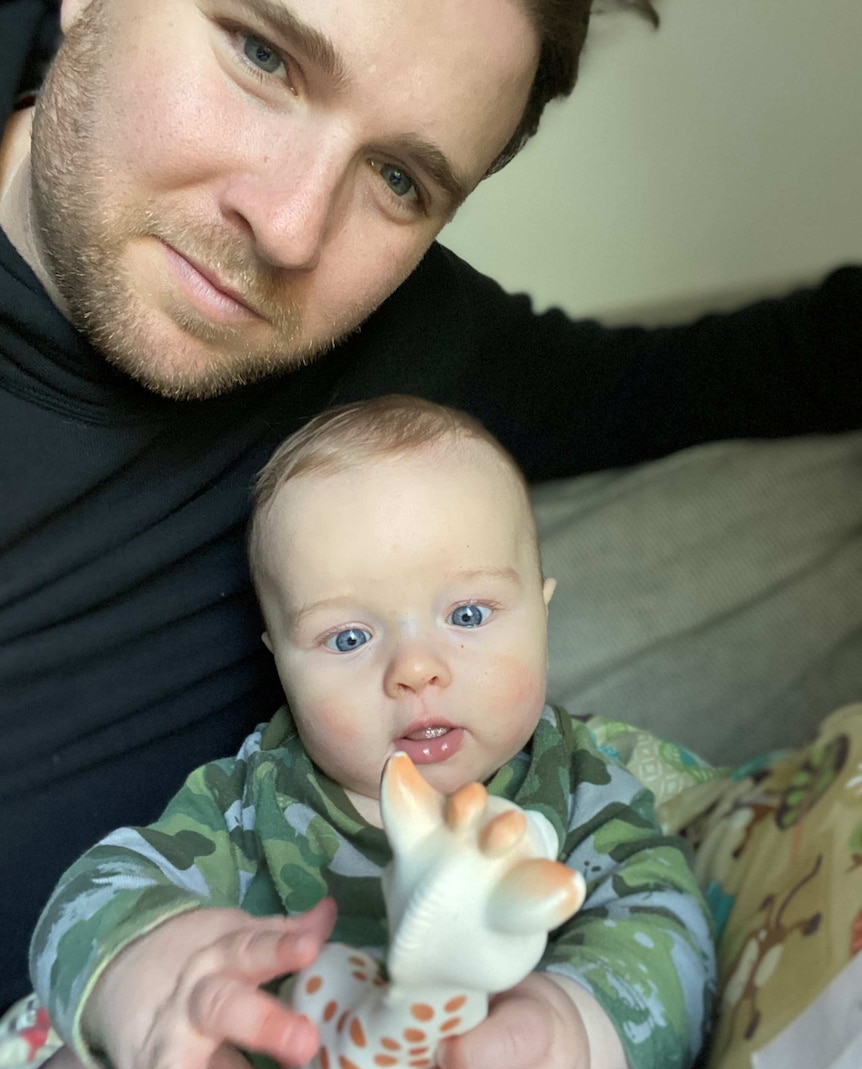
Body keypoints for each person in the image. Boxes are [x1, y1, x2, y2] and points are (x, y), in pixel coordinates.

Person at [0, 0, 860, 1016]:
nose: (286, 225)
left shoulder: (414, 352)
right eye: (263, 55)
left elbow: (753, 368)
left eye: (398, 179)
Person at [23, 396, 718, 1069]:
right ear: (280, 659)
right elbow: (92, 891)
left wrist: (576, 1034)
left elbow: (670, 927)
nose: (415, 669)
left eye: (470, 614)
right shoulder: (250, 802)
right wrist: (146, 963)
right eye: (348, 635)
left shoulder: (582, 788)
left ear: (542, 616)